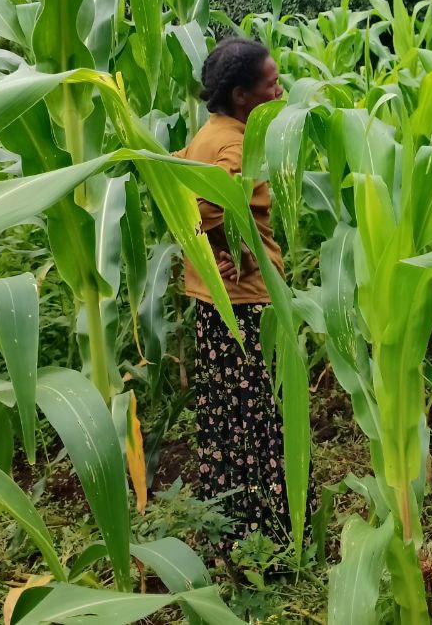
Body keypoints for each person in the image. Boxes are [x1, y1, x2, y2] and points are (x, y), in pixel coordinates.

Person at [174, 37, 293, 551]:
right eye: (271, 86)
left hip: (212, 299)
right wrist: (223, 239)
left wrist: (208, 245)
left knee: (226, 415)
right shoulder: (237, 144)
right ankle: (267, 530)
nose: (281, 90)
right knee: (260, 415)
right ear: (243, 95)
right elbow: (210, 202)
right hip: (246, 303)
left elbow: (176, 185)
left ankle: (229, 522)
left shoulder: (206, 134)